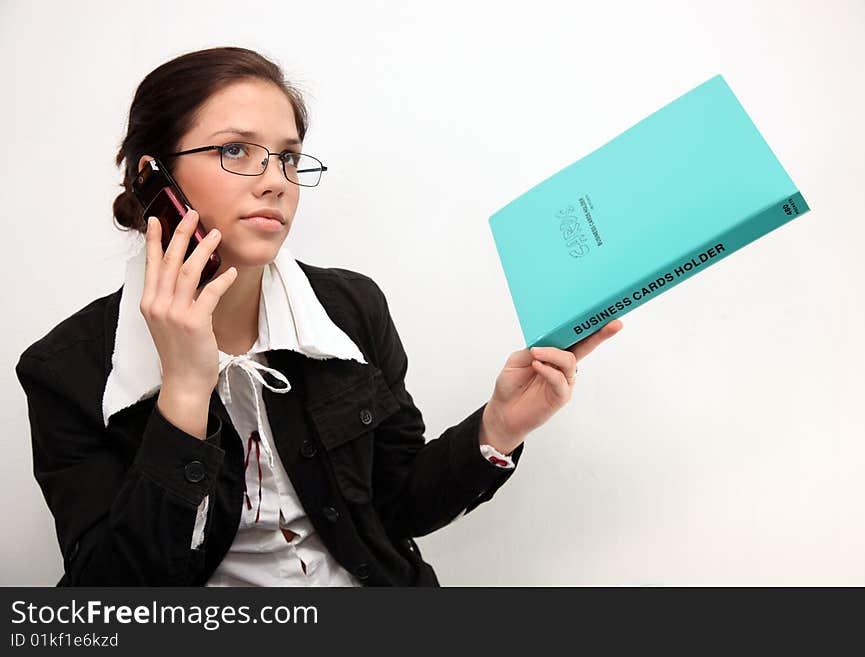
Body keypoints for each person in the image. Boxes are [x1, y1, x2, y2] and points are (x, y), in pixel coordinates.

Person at [15, 46, 623, 587]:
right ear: (154, 179)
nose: (275, 182)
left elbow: (396, 507)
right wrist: (183, 392)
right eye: (235, 151)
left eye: (287, 158)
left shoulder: (350, 310)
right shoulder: (67, 371)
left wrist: (499, 427)